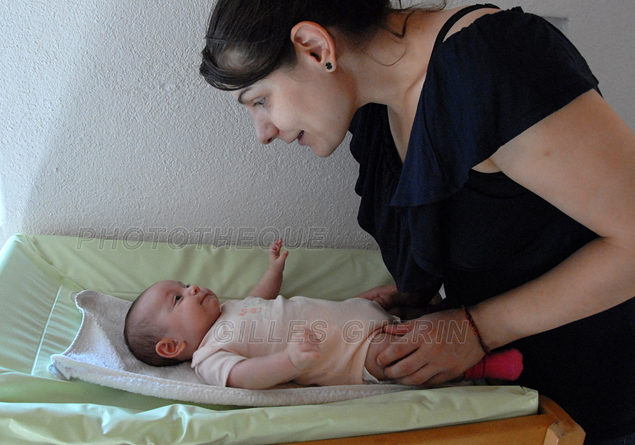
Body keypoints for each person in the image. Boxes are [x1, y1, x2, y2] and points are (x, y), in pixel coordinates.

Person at [198, 1, 635, 442]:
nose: (263, 132)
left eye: (259, 100)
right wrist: (416, 299)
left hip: (607, 392)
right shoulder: (374, 109)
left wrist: (478, 328)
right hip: (517, 404)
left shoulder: (492, 65)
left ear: (314, 48)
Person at [124, 239, 522, 389]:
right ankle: (480, 366)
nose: (191, 288)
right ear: (172, 345)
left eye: (182, 285)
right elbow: (245, 378)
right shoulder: (210, 358)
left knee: (389, 296)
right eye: (178, 299)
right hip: (355, 355)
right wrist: (290, 360)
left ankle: (443, 297)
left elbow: (260, 299)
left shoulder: (229, 309)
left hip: (357, 311)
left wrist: (273, 271)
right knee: (399, 354)